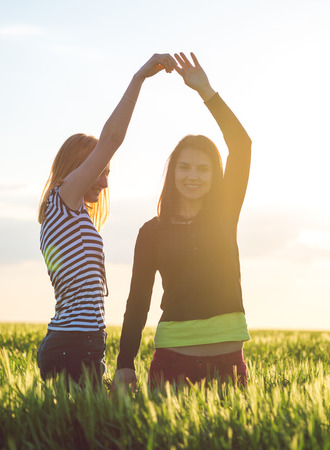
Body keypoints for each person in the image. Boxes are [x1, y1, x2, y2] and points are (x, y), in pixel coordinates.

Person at [36, 53, 178, 386]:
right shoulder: (64, 196)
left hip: (81, 343)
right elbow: (112, 139)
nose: (103, 181)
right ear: (75, 169)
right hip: (73, 344)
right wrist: (139, 78)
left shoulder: (69, 212)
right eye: (98, 171)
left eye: (108, 173)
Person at [113, 52, 252, 391]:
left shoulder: (225, 213)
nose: (193, 176)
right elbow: (138, 301)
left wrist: (206, 91)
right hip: (171, 363)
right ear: (172, 172)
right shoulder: (151, 232)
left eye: (203, 168)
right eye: (184, 167)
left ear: (215, 175)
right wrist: (124, 363)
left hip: (228, 362)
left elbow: (242, 145)